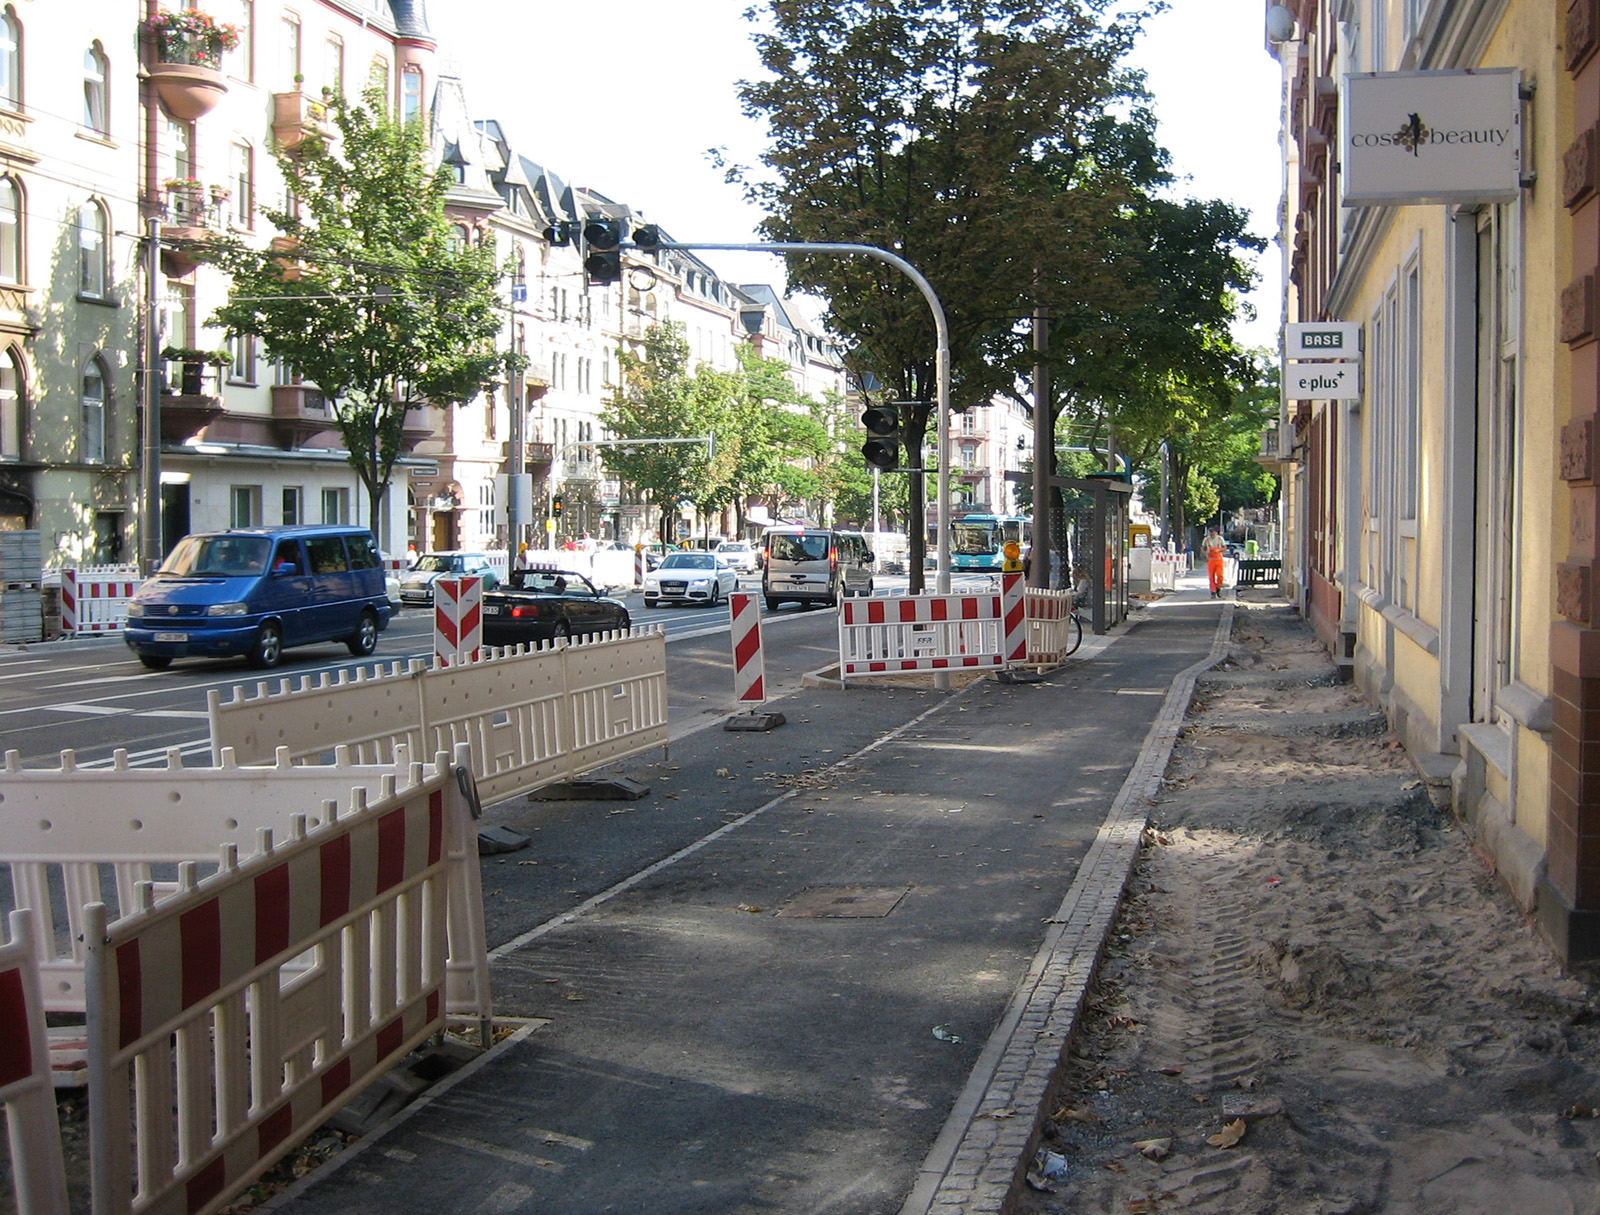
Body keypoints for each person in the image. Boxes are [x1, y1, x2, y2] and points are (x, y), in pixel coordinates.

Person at [1203, 529, 1228, 598]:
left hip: (1219, 560)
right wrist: (1206, 554)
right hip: (1211, 561)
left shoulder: (1220, 539)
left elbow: (1225, 547)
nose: (1212, 535)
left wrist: (1219, 550)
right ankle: (1213, 592)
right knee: (1211, 577)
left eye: (1213, 533)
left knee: (1220, 575)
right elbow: (1203, 548)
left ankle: (1218, 588)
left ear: (1216, 532)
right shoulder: (1206, 539)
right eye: (1211, 533)